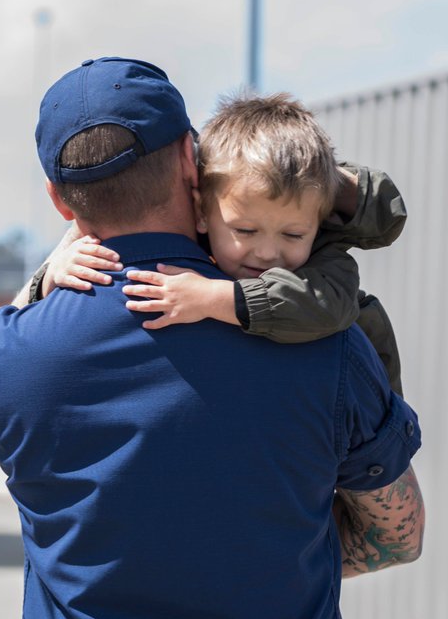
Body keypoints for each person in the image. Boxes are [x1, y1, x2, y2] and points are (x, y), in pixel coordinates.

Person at [0, 57, 425, 619]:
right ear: (192, 163)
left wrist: (42, 282)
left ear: (59, 201)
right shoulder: (329, 346)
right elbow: (399, 535)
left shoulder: (2, 359)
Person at [29, 91, 408, 396]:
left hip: (365, 435)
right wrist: (50, 276)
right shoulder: (200, 227)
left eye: (293, 234)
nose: (268, 253)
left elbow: (325, 307)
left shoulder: (327, 262)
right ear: (201, 211)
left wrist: (214, 297)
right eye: (245, 231)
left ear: (319, 221)